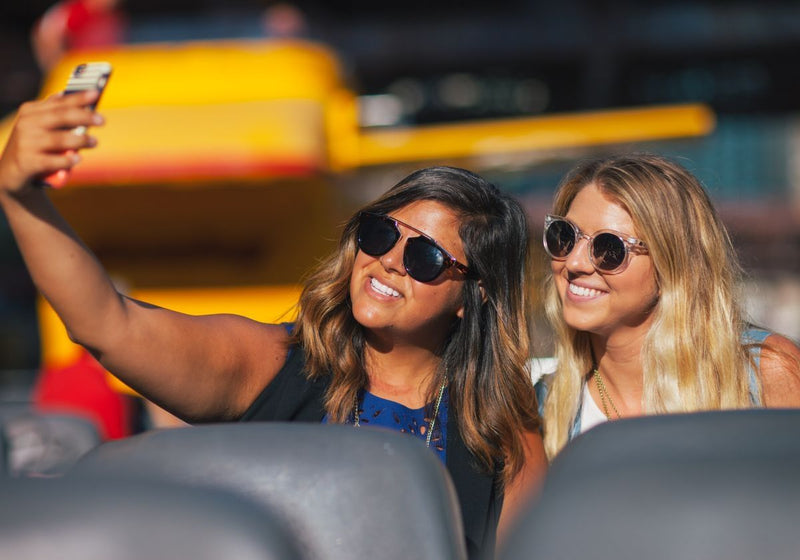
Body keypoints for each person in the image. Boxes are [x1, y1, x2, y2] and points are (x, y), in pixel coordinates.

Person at [0, 90, 546, 559]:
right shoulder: (272, 364)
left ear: (472, 297)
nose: (387, 260)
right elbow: (107, 325)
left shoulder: (502, 431)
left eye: (425, 257)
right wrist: (19, 194)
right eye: (381, 234)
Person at [536, 152, 800, 459]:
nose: (574, 262)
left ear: (671, 265)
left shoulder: (765, 373)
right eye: (564, 236)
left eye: (609, 248)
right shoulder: (544, 407)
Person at [31, 0, 127, 72]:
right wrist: (59, 66)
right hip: (82, 68)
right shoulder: (80, 12)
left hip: (101, 66)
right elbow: (47, 34)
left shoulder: (113, 14)